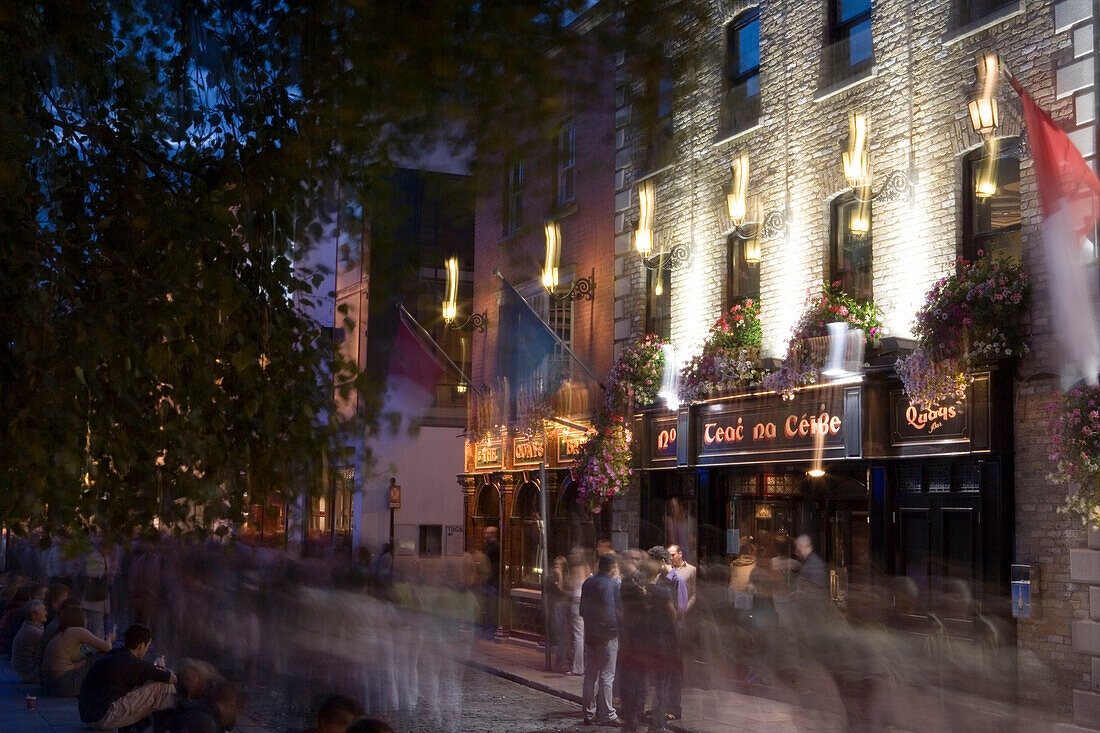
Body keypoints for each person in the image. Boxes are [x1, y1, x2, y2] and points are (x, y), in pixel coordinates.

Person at [79, 623, 176, 730]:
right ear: (141, 646)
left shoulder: (116, 654)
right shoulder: (131, 662)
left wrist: (157, 668)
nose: (146, 650)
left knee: (153, 685)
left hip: (90, 716)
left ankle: (150, 726)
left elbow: (143, 671)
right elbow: (171, 677)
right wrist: (162, 669)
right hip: (103, 717)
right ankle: (168, 728)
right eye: (147, 646)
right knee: (164, 686)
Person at [579, 551, 622, 726]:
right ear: (613, 567)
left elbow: (582, 609)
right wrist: (615, 630)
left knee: (590, 674)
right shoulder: (610, 585)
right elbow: (611, 611)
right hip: (607, 635)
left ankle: (588, 713)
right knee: (607, 675)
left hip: (590, 634)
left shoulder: (588, 582)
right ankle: (607, 714)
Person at [41, 604, 115, 696]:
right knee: (103, 655)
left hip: (50, 686)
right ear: (79, 619)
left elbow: (66, 666)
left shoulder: (62, 633)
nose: (87, 620)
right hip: (64, 685)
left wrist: (86, 662)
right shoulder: (77, 631)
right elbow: (107, 647)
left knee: (89, 657)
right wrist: (110, 638)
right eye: (85, 618)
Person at [666, 544, 695, 721]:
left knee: (676, 660)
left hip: (681, 618)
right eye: (669, 555)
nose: (671, 558)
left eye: (673, 554)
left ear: (680, 554)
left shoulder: (691, 570)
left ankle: (674, 706)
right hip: (669, 620)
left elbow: (694, 593)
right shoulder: (667, 571)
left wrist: (684, 609)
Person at [159, 681, 244, 733]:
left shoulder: (206, 710)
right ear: (231, 703)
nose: (237, 716)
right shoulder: (203, 720)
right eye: (237, 711)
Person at [566, 548, 591, 676]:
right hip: (586, 600)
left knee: (578, 635)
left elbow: (570, 583)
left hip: (577, 600)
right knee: (585, 634)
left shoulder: (576, 568)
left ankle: (578, 667)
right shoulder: (587, 567)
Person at [11, 599, 47, 682]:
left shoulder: (29, 627)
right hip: (29, 673)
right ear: (33, 614)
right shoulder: (34, 631)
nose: (46, 613)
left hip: (24, 671)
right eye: (43, 610)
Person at [482, 527, 500, 633]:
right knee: (488, 604)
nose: (485, 535)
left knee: (491, 604)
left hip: (492, 581)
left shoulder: (495, 546)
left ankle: (491, 626)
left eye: (488, 533)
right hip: (489, 580)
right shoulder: (489, 546)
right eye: (485, 533)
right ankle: (488, 624)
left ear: (493, 534)